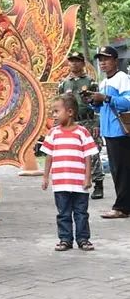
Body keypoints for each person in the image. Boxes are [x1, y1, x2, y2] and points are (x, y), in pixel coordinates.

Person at [41, 94, 97, 252]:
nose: (54, 115)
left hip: (79, 183)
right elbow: (48, 156)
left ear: (70, 112)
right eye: (53, 112)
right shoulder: (53, 133)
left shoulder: (82, 132)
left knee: (81, 213)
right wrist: (45, 177)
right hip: (60, 183)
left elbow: (87, 157)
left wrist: (88, 177)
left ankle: (83, 239)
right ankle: (65, 239)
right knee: (63, 213)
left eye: (57, 111)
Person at [84, 46, 130, 219]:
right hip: (109, 131)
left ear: (115, 61)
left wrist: (106, 98)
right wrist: (92, 101)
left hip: (120, 130)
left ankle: (121, 208)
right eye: (100, 60)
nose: (102, 63)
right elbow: (102, 107)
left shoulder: (122, 78)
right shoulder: (104, 82)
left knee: (122, 170)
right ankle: (124, 205)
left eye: (106, 59)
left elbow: (127, 102)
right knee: (118, 169)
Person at [58, 51, 104, 199]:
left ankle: (98, 183)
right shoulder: (64, 84)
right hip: (72, 123)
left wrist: (97, 123)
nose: (74, 63)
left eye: (77, 61)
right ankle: (75, 184)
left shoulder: (90, 82)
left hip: (89, 121)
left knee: (93, 153)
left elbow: (98, 104)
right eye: (71, 61)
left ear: (83, 63)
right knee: (72, 153)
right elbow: (60, 105)